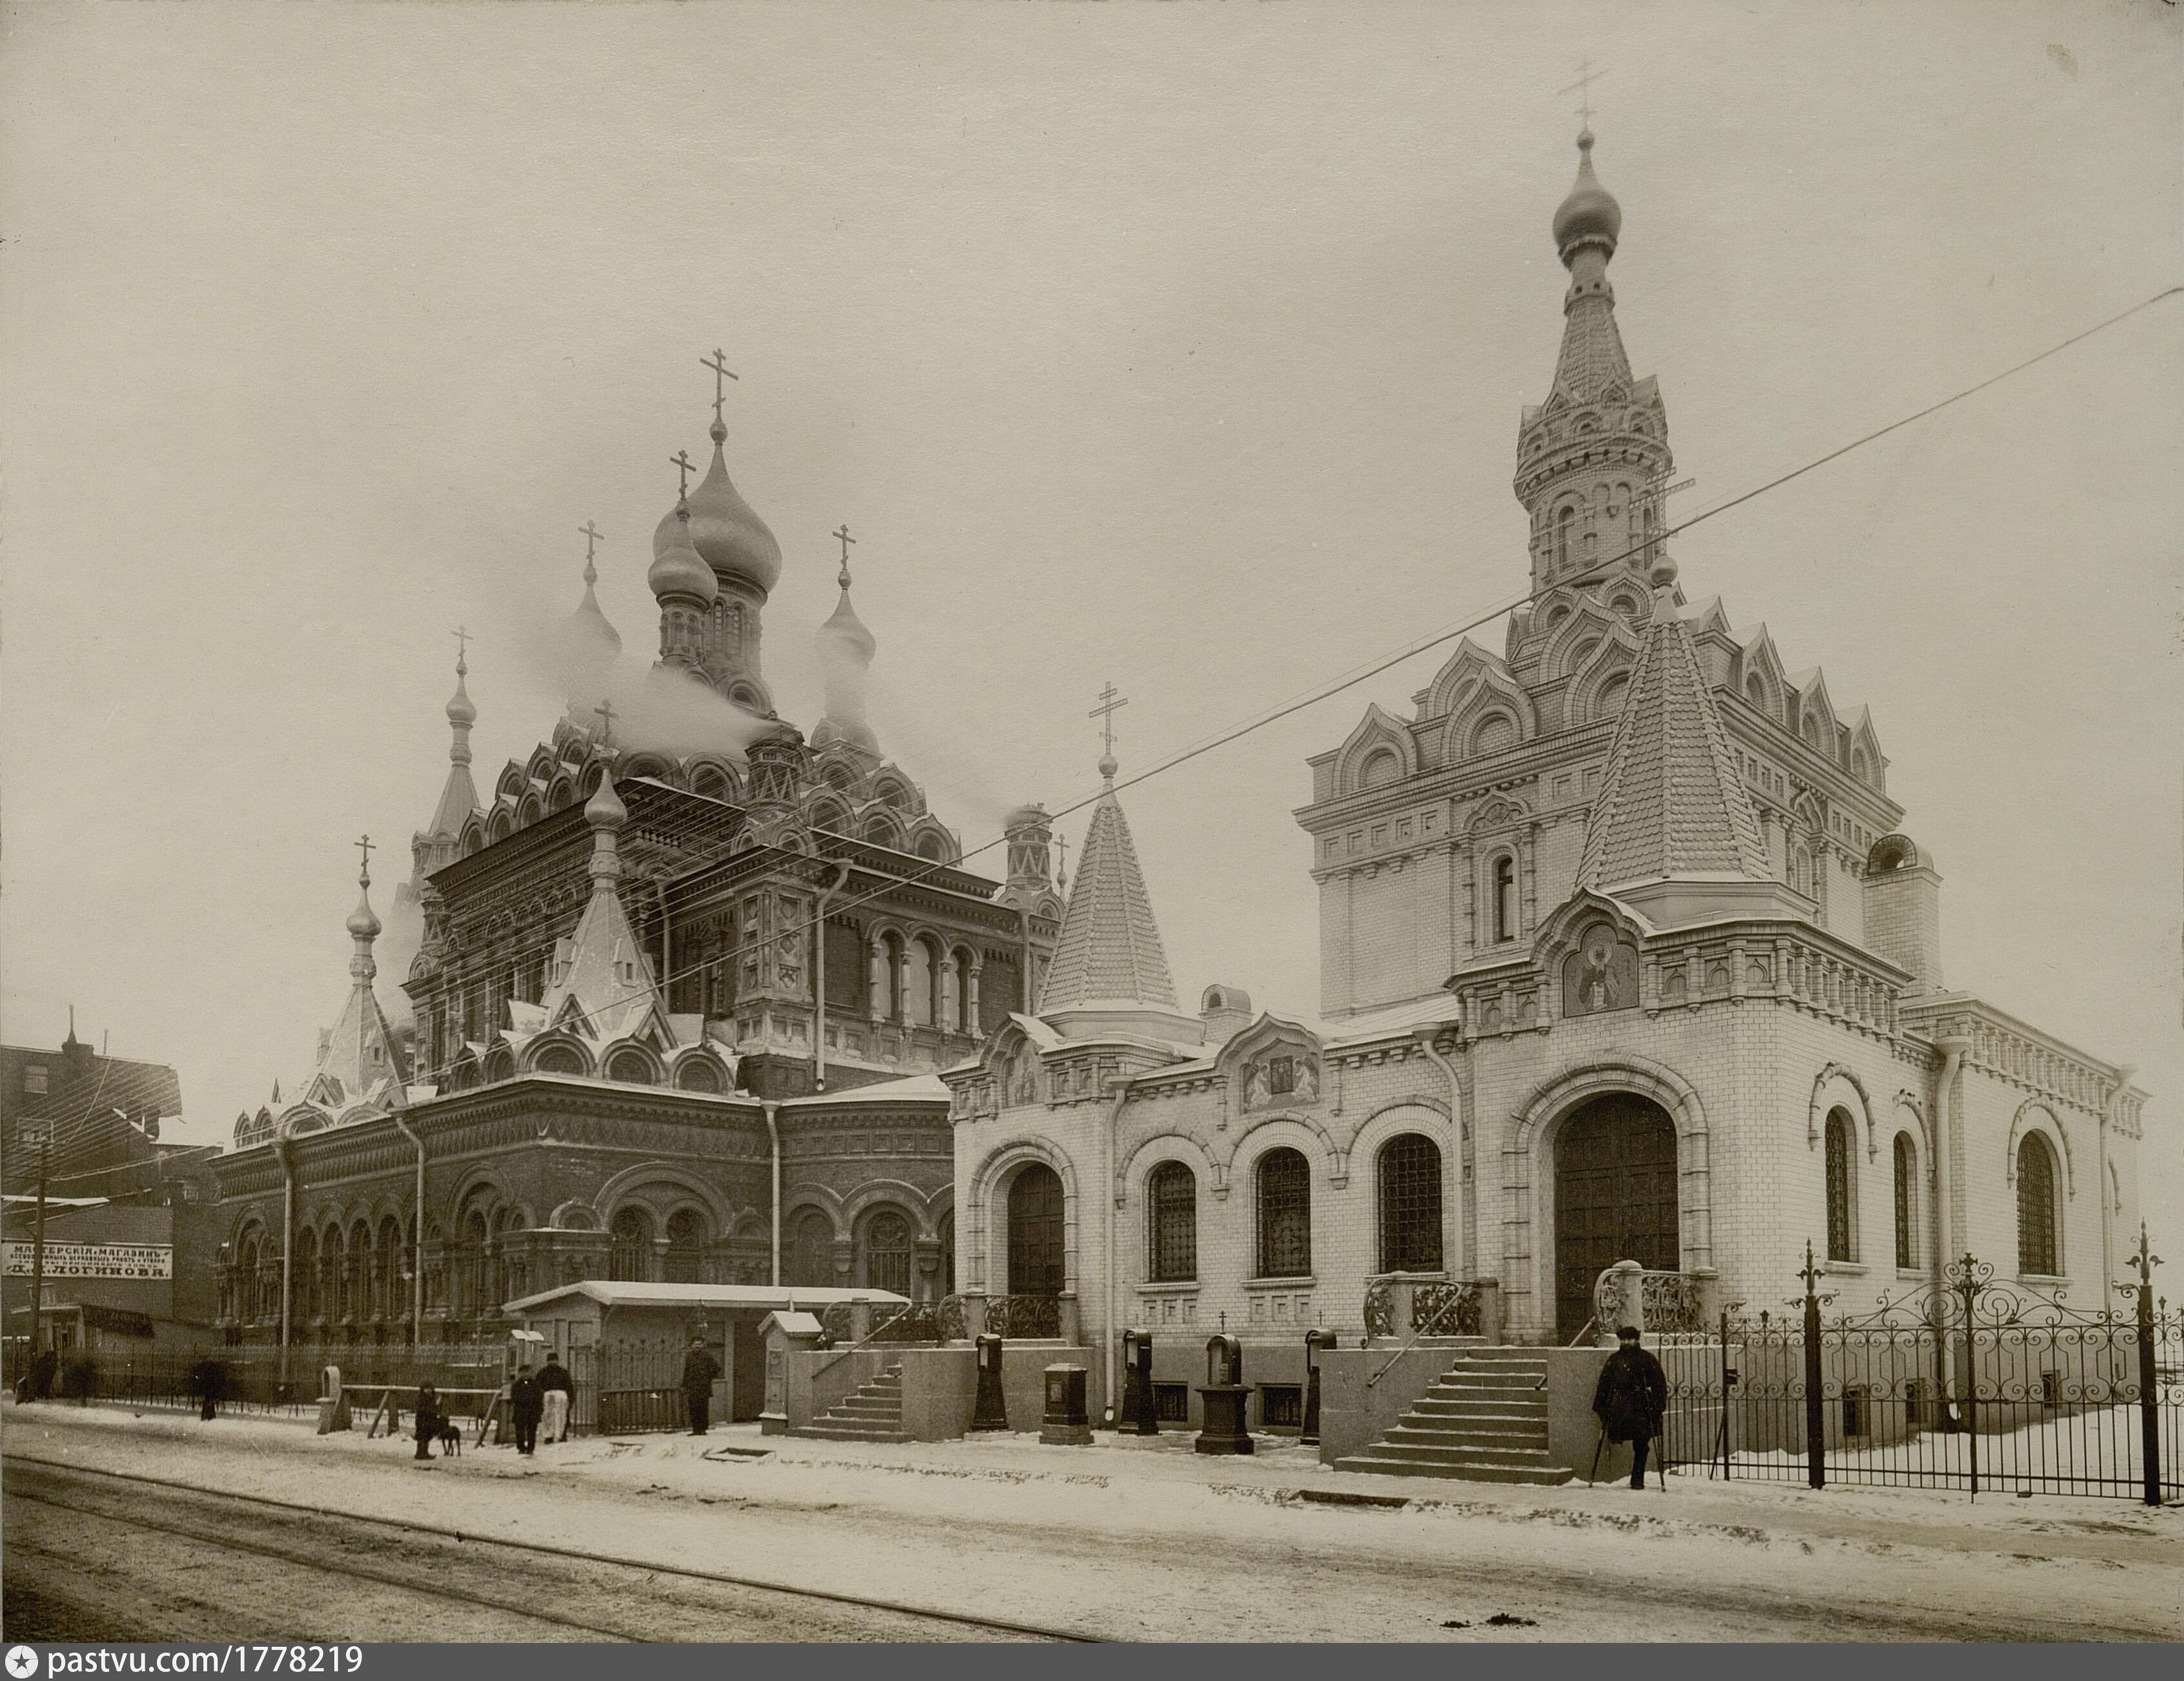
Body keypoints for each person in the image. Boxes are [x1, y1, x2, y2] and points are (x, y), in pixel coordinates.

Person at [1592, 1325, 1669, 1489]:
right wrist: (1602, 1407)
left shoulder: (1647, 1359)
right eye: (1623, 1340)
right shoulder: (1614, 1360)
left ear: (1637, 1340)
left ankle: (1637, 1479)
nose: (1626, 1343)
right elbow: (1604, 1385)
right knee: (1621, 1436)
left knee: (1642, 1442)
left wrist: (1657, 1406)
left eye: (1630, 1339)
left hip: (1641, 1406)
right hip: (1620, 1406)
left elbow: (1659, 1384)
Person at [680, 1334, 720, 1437]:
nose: (697, 1346)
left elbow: (716, 1368)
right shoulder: (690, 1357)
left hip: (703, 1387)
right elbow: (687, 1371)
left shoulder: (707, 1356)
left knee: (703, 1408)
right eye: (696, 1344)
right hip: (692, 1386)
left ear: (703, 1345)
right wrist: (684, 1384)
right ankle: (695, 1429)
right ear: (692, 1346)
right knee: (693, 1408)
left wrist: (707, 1377)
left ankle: (703, 1429)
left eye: (699, 1344)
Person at [536, 1354, 574, 1445]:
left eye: (554, 1360)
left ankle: (561, 1434)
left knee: (560, 1416)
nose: (553, 1362)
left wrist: (570, 1399)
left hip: (559, 1398)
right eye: (551, 1360)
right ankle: (549, 1435)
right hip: (549, 1397)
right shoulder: (543, 1373)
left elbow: (569, 1387)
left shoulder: (562, 1373)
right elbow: (538, 1387)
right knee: (549, 1416)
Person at [509, 1362, 543, 1456]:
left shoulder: (535, 1385)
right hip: (521, 1410)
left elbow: (539, 1397)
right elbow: (514, 1397)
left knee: (531, 1431)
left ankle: (531, 1448)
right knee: (520, 1431)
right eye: (523, 1372)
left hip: (532, 1411)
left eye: (527, 1372)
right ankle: (521, 1447)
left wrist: (539, 1409)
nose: (525, 1374)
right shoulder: (517, 1385)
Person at [412, 1381, 442, 1463]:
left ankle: (425, 1452)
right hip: (423, 1421)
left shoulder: (430, 1398)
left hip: (429, 1421)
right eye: (427, 1389)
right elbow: (422, 1410)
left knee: (427, 1437)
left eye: (430, 1389)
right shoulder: (422, 1399)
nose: (429, 1390)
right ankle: (420, 1453)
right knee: (422, 1437)